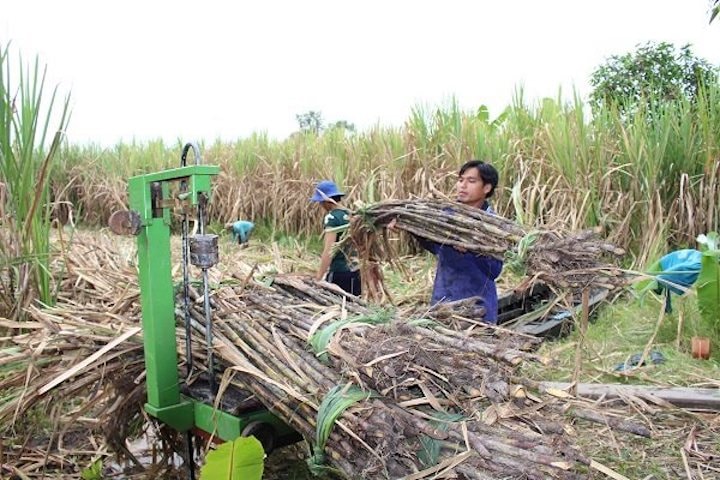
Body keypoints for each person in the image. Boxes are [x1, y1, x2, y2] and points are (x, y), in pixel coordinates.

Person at [393, 160, 504, 323]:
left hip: (478, 307)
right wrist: (409, 227)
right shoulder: (446, 215)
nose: (462, 185)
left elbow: (494, 271)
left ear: (487, 188)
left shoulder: (493, 225)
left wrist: (473, 250)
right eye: (460, 180)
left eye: (471, 181)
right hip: (443, 302)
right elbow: (434, 247)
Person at [310, 180, 361, 295]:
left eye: (321, 202)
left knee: (338, 307)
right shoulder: (352, 215)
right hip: (357, 271)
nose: (320, 205)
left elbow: (329, 251)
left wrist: (319, 276)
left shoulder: (332, 218)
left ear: (326, 201)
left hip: (340, 273)